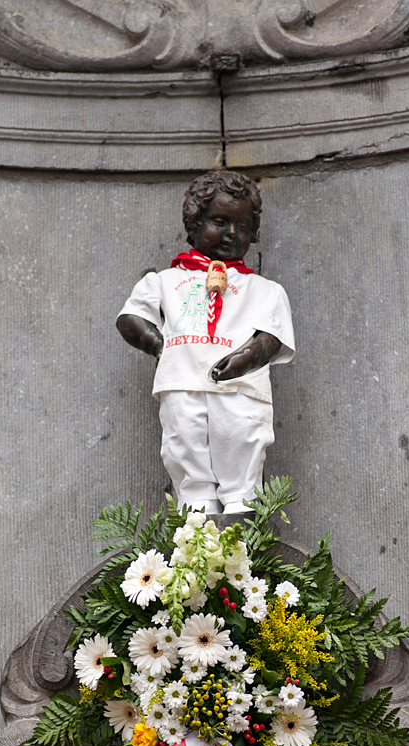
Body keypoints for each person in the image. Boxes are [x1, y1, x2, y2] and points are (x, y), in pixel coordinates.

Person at [117, 170, 295, 514]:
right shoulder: (165, 281)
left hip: (241, 389)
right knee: (183, 443)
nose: (232, 233)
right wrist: (158, 345)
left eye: (243, 226)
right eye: (220, 221)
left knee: (242, 440)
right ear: (194, 222)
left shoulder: (265, 290)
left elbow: (272, 337)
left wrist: (246, 358)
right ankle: (197, 512)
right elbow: (130, 318)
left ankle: (242, 507)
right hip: (181, 383)